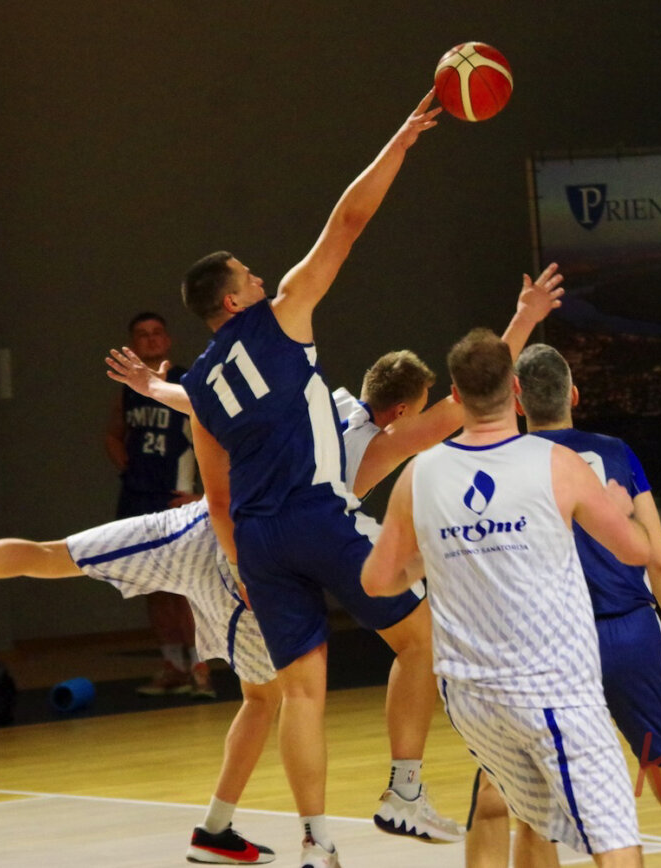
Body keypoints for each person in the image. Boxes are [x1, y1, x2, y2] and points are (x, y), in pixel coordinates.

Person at [0, 271, 560, 867]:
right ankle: (336, 825)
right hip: (256, 562)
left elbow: (209, 404)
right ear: (400, 408)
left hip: (210, 534)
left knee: (55, 557)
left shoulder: (305, 396)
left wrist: (154, 389)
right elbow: (467, 401)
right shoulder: (378, 446)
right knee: (288, 694)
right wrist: (524, 318)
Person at [175, 90, 449, 868]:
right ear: (234, 299)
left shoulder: (198, 388)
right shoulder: (282, 315)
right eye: (250, 274)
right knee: (421, 641)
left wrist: (244, 566)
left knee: (301, 692)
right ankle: (403, 791)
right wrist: (400, 141)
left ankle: (317, 845)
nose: (264, 276)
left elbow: (217, 495)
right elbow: (347, 224)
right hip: (317, 515)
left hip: (259, 541)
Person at [361, 328, 654, 868]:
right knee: (615, 840)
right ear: (516, 391)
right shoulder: (556, 463)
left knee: (533, 821)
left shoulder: (419, 475)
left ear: (455, 392)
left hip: (473, 702)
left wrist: (430, 555)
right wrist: (619, 508)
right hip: (554, 689)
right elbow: (637, 551)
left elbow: (378, 582)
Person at [500, 342, 661, 867]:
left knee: (536, 815)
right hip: (630, 633)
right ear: (574, 395)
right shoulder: (615, 452)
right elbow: (660, 557)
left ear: (517, 401)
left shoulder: (505, 464)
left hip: (551, 646)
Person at [103, 311, 212, 699]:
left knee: (182, 588)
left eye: (156, 333)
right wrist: (128, 468)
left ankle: (200, 669)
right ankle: (173, 667)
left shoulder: (187, 382)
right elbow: (113, 435)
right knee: (153, 588)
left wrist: (204, 494)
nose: (150, 339)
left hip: (176, 499)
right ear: (132, 344)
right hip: (138, 499)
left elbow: (215, 439)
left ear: (167, 340)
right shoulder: (127, 389)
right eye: (142, 334)